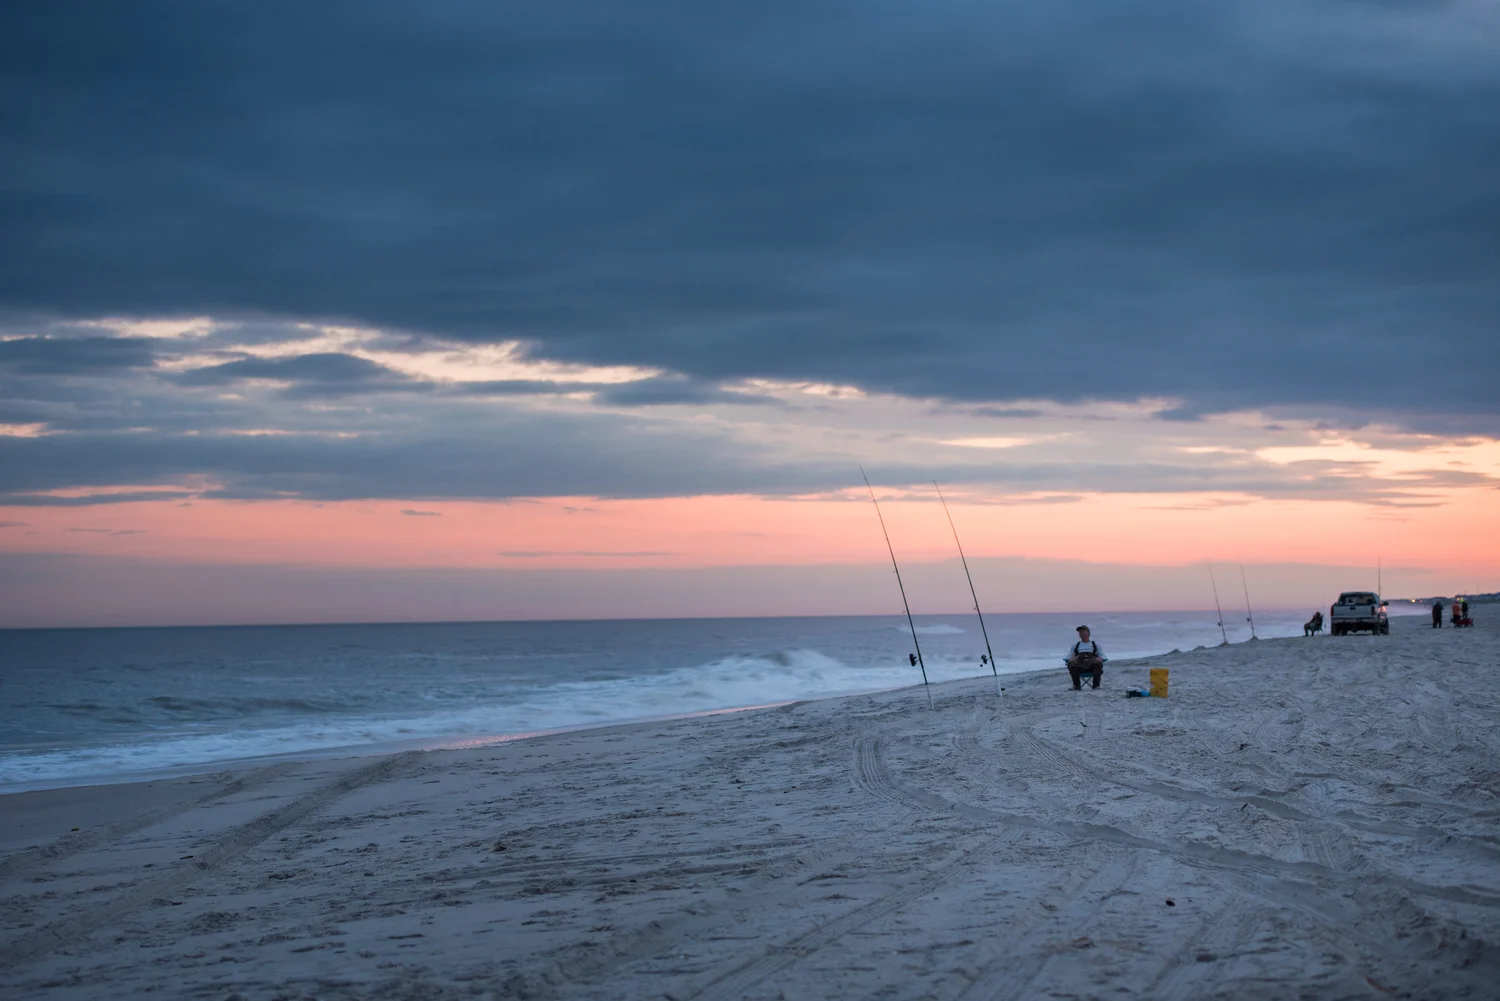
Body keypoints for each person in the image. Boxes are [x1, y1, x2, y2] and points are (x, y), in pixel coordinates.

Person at [1064, 625, 1107, 690]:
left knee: (1098, 662)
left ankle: (1096, 686)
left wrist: (1101, 658)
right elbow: (1069, 656)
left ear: (1088, 633)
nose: (1081, 633)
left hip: (1092, 665)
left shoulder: (1096, 645)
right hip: (1079, 665)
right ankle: (1076, 686)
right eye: (1080, 632)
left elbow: (1103, 656)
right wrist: (1070, 659)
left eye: (1083, 631)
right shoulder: (1075, 646)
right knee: (1071, 663)